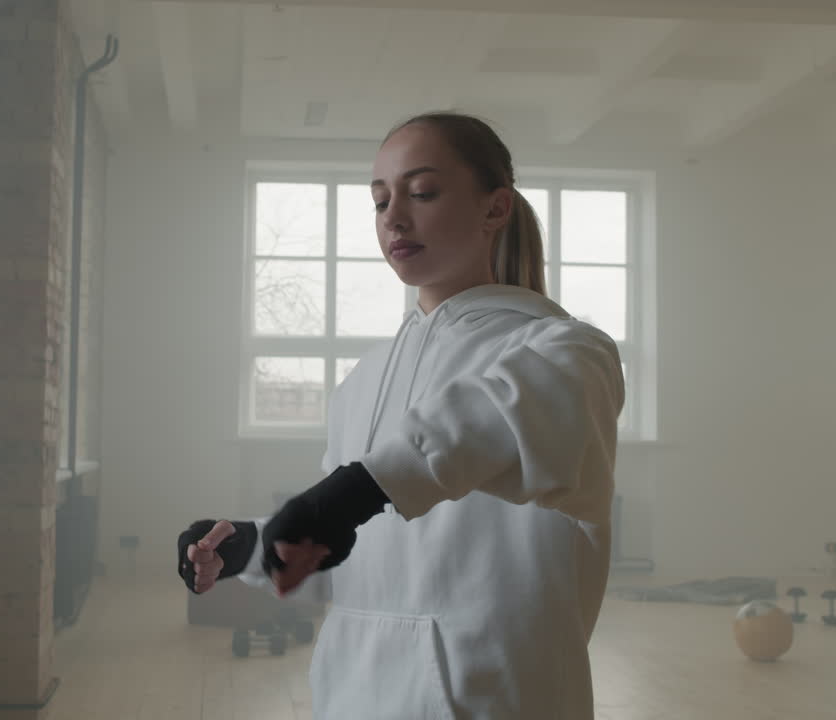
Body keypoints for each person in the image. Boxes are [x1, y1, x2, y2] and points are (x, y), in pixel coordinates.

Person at [177, 111, 625, 719]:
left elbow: (485, 423)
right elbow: (355, 543)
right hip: (352, 695)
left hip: (496, 699)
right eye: (380, 200)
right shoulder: (361, 381)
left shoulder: (568, 352)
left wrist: (350, 494)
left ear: (495, 209)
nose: (393, 217)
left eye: (423, 192)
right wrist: (252, 546)